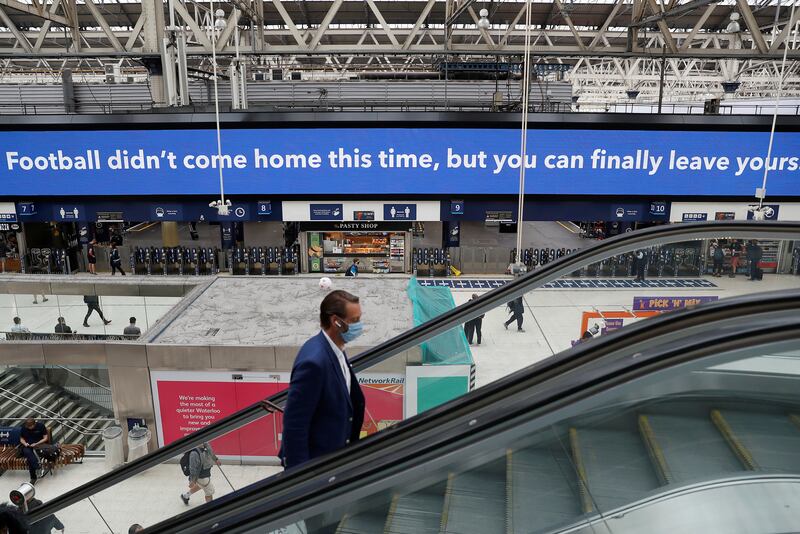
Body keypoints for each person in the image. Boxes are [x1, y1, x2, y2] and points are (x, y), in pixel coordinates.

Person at [280, 290, 366, 470]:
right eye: (355, 321)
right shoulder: (314, 362)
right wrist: (300, 477)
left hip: (336, 459)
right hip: (319, 465)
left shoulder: (336, 349)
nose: (360, 326)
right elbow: (295, 424)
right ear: (336, 321)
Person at [19, 418, 48, 484]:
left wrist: (36, 444)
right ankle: (37, 466)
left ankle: (33, 478)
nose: (29, 428)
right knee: (27, 453)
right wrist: (25, 443)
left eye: (30, 426)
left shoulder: (40, 426)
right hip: (28, 445)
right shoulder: (24, 427)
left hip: (40, 445)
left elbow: (46, 438)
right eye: (27, 427)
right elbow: (21, 438)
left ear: (34, 424)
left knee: (30, 459)